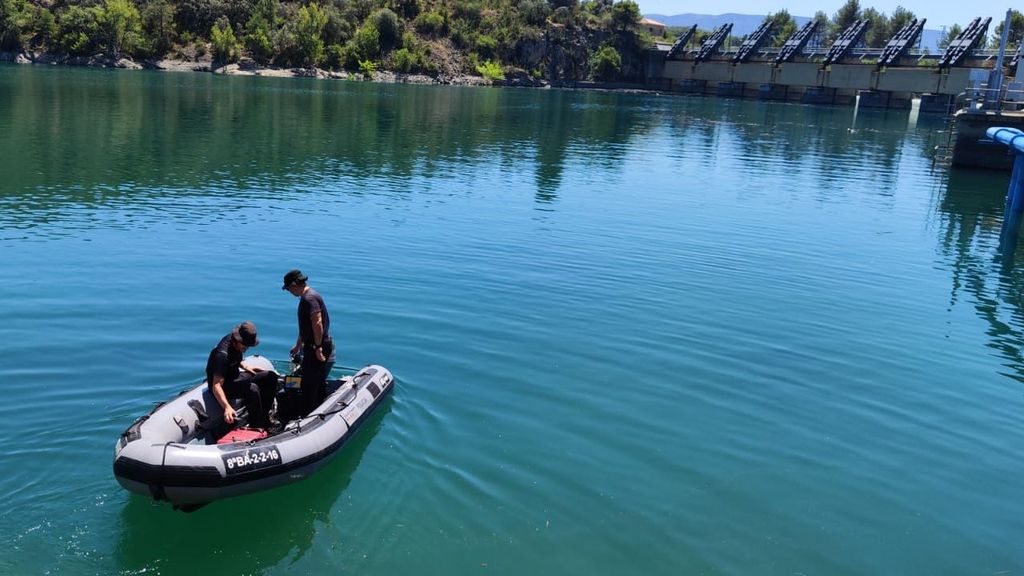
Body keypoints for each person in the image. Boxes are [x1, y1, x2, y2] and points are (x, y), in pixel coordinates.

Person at [205, 321, 279, 430]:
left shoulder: (235, 343)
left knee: (270, 376)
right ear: (237, 340)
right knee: (252, 389)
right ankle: (257, 426)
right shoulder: (222, 355)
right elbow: (216, 385)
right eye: (245, 345)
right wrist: (227, 407)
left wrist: (245, 367)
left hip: (234, 377)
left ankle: (264, 417)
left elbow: (234, 359)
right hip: (222, 386)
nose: (246, 348)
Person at [282, 269, 335, 416]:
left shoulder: (309, 299)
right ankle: (317, 406)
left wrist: (318, 347)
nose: (289, 292)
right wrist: (299, 344)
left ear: (294, 285)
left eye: (288, 289)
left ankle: (310, 415)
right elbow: (307, 326)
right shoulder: (308, 297)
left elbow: (317, 323)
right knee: (313, 380)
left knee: (309, 385)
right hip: (313, 345)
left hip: (317, 346)